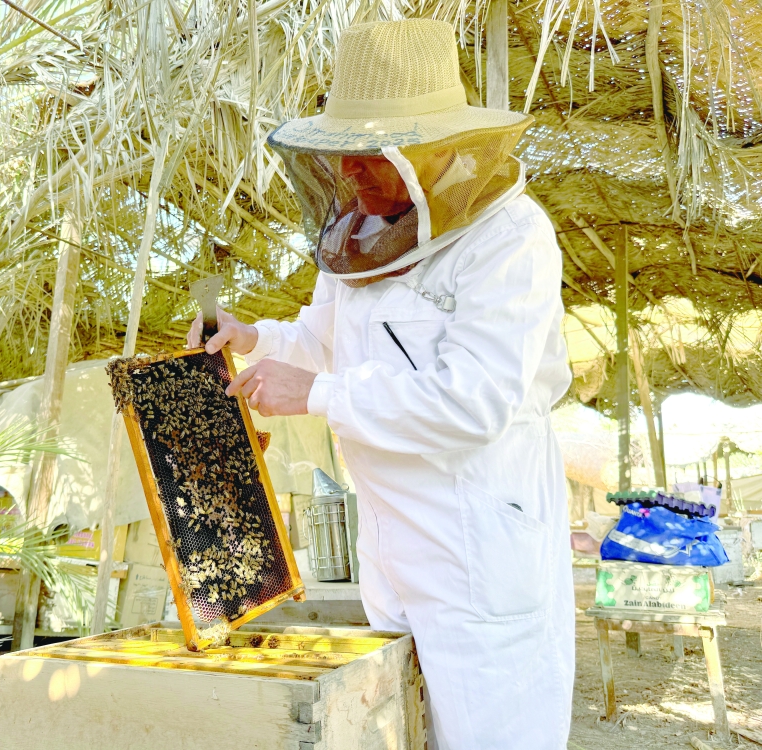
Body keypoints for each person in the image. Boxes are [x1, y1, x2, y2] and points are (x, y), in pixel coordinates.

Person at [187, 19, 573, 750]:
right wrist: (252, 337)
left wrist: (318, 394)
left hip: (478, 557)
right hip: (392, 556)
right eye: (343, 158)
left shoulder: (509, 239)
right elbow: (320, 341)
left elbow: (474, 398)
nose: (350, 176)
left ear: (429, 153)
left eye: (370, 157)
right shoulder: (361, 241)